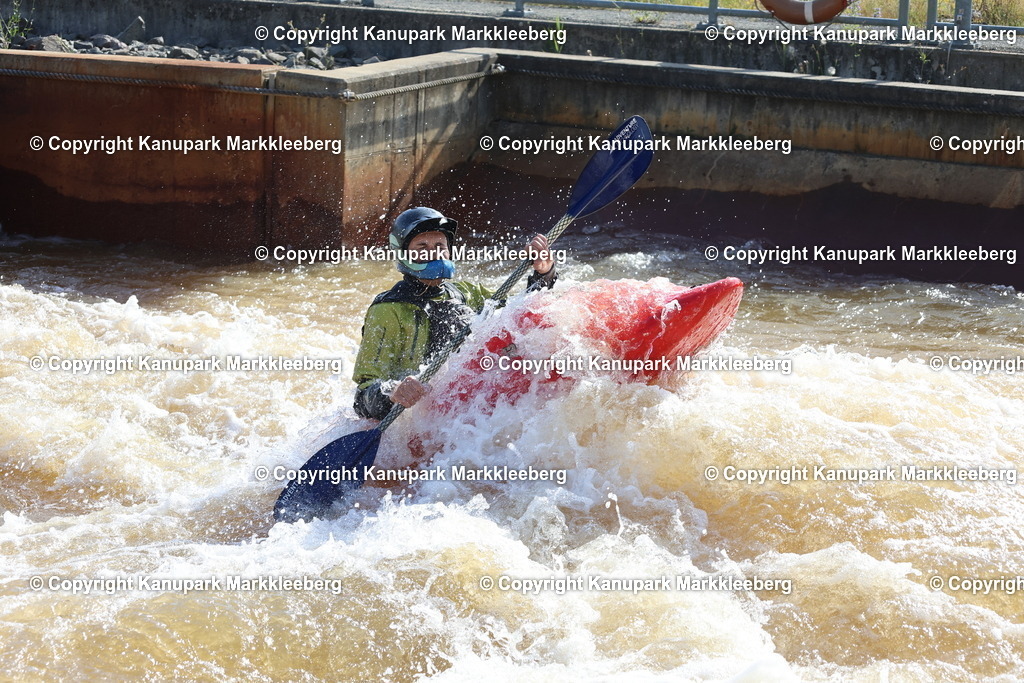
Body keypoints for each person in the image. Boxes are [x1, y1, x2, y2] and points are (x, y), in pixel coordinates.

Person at [353, 207, 556, 420]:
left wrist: (543, 273)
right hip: (421, 419)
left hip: (469, 408)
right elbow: (362, 396)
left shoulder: (470, 294)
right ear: (403, 253)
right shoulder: (387, 310)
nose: (434, 252)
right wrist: (392, 392)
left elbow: (522, 318)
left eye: (440, 245)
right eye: (422, 245)